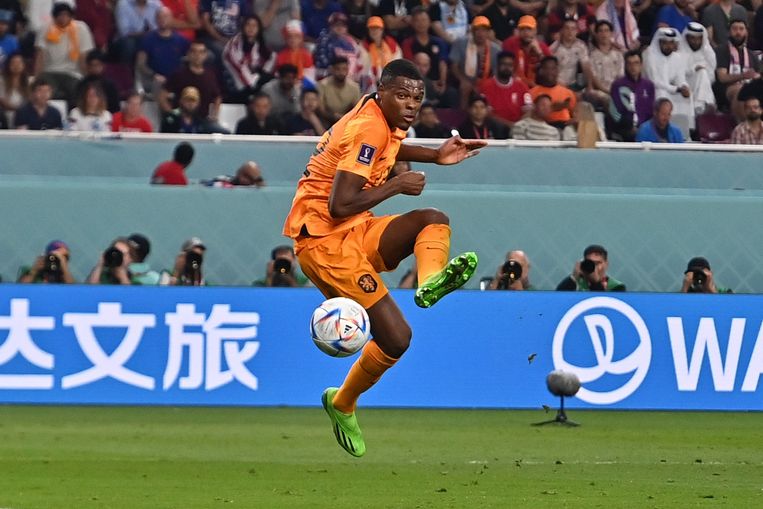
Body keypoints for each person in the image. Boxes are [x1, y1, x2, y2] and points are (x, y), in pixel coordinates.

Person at [282, 59, 485, 457]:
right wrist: (395, 186)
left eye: (418, 97)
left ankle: (430, 282)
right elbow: (340, 204)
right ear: (382, 90)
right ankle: (341, 403)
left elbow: (387, 150)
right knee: (397, 337)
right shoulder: (369, 127)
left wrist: (434, 155)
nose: (411, 104)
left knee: (432, 220)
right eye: (403, 95)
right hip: (324, 242)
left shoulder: (378, 116)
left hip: (355, 228)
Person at [34, 2, 94, 103]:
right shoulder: (45, 28)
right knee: (48, 92)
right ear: (54, 17)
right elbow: (40, 55)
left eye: (66, 15)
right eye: (60, 15)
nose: (63, 18)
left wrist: (86, 78)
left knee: (77, 91)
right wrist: (37, 78)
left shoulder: (81, 28)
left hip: (73, 73)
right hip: (50, 72)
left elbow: (84, 56)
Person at [643, 27, 693, 139]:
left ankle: (684, 132)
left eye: (671, 43)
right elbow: (654, 81)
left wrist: (684, 87)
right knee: (661, 94)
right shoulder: (650, 55)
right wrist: (675, 89)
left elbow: (680, 78)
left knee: (685, 96)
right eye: (665, 43)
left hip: (670, 89)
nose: (668, 46)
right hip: (652, 90)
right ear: (659, 42)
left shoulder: (677, 57)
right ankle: (661, 127)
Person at [160, 41, 222, 125]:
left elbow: (217, 97)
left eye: (201, 52)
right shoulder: (179, 74)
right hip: (180, 121)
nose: (197, 55)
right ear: (188, 54)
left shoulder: (210, 75)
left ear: (205, 55)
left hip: (202, 122)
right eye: (194, 51)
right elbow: (162, 95)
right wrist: (171, 113)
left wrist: (214, 116)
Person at [135, 6, 190, 98]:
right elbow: (140, 64)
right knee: (159, 84)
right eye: (160, 17)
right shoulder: (148, 39)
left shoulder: (181, 40)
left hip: (175, 78)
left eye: (166, 17)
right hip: (155, 79)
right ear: (156, 19)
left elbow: (189, 59)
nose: (162, 20)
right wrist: (154, 75)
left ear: (172, 19)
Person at [448, 16, 502, 108]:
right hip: (463, 80)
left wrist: (487, 85)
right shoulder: (460, 43)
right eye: (477, 30)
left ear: (488, 32)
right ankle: (463, 115)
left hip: (485, 81)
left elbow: (496, 73)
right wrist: (463, 80)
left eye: (484, 30)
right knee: (465, 87)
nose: (480, 34)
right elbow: (454, 66)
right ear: (472, 31)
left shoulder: (496, 50)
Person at [222, 14, 276, 103]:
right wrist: (254, 82)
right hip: (234, 79)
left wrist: (263, 75)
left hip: (254, 80)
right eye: (248, 24)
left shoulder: (259, 44)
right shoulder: (235, 43)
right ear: (243, 27)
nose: (251, 28)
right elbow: (237, 66)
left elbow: (272, 57)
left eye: (254, 25)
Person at [715, 20, 761, 121]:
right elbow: (722, 78)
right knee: (741, 89)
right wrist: (743, 76)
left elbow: (757, 75)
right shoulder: (721, 50)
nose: (738, 32)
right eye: (734, 29)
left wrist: (756, 77)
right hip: (726, 89)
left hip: (749, 86)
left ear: (746, 32)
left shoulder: (752, 55)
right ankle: (744, 125)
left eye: (741, 29)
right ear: (729, 32)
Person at [608, 49, 656, 141]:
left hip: (645, 128)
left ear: (641, 65)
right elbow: (614, 112)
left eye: (636, 63)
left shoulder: (649, 85)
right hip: (624, 129)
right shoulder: (618, 85)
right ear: (625, 66)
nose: (633, 67)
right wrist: (629, 126)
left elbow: (651, 112)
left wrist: (644, 128)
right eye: (629, 63)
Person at [502, 15, 550, 88]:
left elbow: (549, 70)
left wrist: (539, 53)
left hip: (538, 88)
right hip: (514, 85)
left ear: (535, 31)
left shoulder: (542, 47)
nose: (526, 32)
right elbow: (506, 69)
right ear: (518, 31)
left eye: (529, 29)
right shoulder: (509, 43)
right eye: (522, 29)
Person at [586, 20, 624, 111]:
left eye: (606, 31)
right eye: (601, 31)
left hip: (616, 90)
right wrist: (608, 92)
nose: (604, 34)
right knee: (608, 100)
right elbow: (594, 80)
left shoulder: (618, 55)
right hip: (600, 91)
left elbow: (620, 76)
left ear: (611, 33)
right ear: (596, 34)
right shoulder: (591, 56)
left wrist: (615, 91)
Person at [556, 244, 626, 291]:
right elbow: (556, 299)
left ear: (606, 264)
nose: (594, 267)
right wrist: (574, 277)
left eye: (598, 263)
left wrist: (595, 282)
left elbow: (604, 305)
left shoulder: (616, 287)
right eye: (591, 263)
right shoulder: (576, 284)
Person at [530, 56, 576, 127]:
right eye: (547, 68)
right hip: (542, 128)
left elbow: (575, 115)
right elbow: (530, 115)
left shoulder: (567, 92)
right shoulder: (532, 93)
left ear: (557, 71)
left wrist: (573, 121)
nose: (550, 72)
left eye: (553, 68)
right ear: (541, 71)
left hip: (564, 127)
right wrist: (553, 108)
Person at [681, 22, 716, 115]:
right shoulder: (679, 51)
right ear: (687, 37)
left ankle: (700, 105)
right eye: (693, 38)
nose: (696, 41)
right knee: (701, 72)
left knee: (702, 73)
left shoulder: (708, 52)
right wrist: (694, 69)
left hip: (704, 83)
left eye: (699, 38)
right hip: (685, 85)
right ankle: (703, 104)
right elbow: (677, 74)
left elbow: (712, 76)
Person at [317, 56, 362, 124]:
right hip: (326, 121)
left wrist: (345, 118)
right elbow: (321, 109)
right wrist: (334, 116)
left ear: (348, 70)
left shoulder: (354, 87)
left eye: (344, 69)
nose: (341, 72)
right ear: (332, 69)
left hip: (348, 122)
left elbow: (357, 110)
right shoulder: (322, 85)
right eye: (338, 69)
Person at [550, 15, 591, 90]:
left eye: (573, 29)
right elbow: (550, 72)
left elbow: (586, 67)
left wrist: (590, 86)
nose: (570, 32)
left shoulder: (581, 45)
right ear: (562, 30)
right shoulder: (554, 48)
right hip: (556, 85)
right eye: (567, 28)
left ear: (577, 31)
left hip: (573, 85)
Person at [75, 49, 120, 114]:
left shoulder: (110, 86)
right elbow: (77, 104)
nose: (94, 68)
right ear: (87, 66)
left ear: (103, 66)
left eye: (97, 65)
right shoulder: (81, 85)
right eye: (92, 65)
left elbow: (115, 109)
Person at [362, 16, 401, 87]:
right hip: (370, 82)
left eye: (377, 28)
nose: (374, 31)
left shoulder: (392, 45)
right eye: (371, 29)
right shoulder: (363, 46)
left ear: (382, 30)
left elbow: (397, 63)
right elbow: (363, 67)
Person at [274, 19, 316, 84]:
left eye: (296, 37)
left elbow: (310, 75)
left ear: (301, 39)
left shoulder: (306, 55)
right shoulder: (281, 55)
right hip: (285, 84)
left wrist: (300, 82)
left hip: (303, 84)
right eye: (290, 37)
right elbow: (278, 74)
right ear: (285, 39)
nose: (293, 40)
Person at [0, 53, 29, 126]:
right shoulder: (1, 81)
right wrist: (17, 109)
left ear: (23, 65)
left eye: (19, 62)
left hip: (24, 116)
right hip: (5, 115)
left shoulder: (29, 81)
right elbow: (1, 100)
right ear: (8, 65)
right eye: (13, 63)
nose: (16, 65)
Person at [201, 160, 266, 187]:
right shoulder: (223, 181)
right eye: (246, 175)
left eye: (251, 179)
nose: (247, 180)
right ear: (238, 173)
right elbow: (205, 185)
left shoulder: (254, 187)